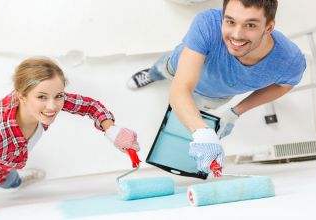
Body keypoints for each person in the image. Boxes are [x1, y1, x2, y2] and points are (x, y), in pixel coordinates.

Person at [0, 57, 140, 219]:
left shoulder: (44, 98)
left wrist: (112, 131)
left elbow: (90, 106)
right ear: (21, 96)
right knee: (10, 180)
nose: (52, 106)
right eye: (42, 97)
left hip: (13, 153)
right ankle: (18, 181)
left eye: (58, 95)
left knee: (15, 163)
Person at [127, 0, 306, 175]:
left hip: (213, 96)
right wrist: (203, 132)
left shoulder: (290, 62)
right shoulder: (208, 23)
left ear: (269, 27)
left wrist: (236, 112)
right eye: (230, 21)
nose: (236, 35)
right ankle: (151, 75)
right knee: (161, 69)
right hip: (177, 67)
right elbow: (180, 91)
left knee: (193, 111)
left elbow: (284, 86)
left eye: (250, 25)